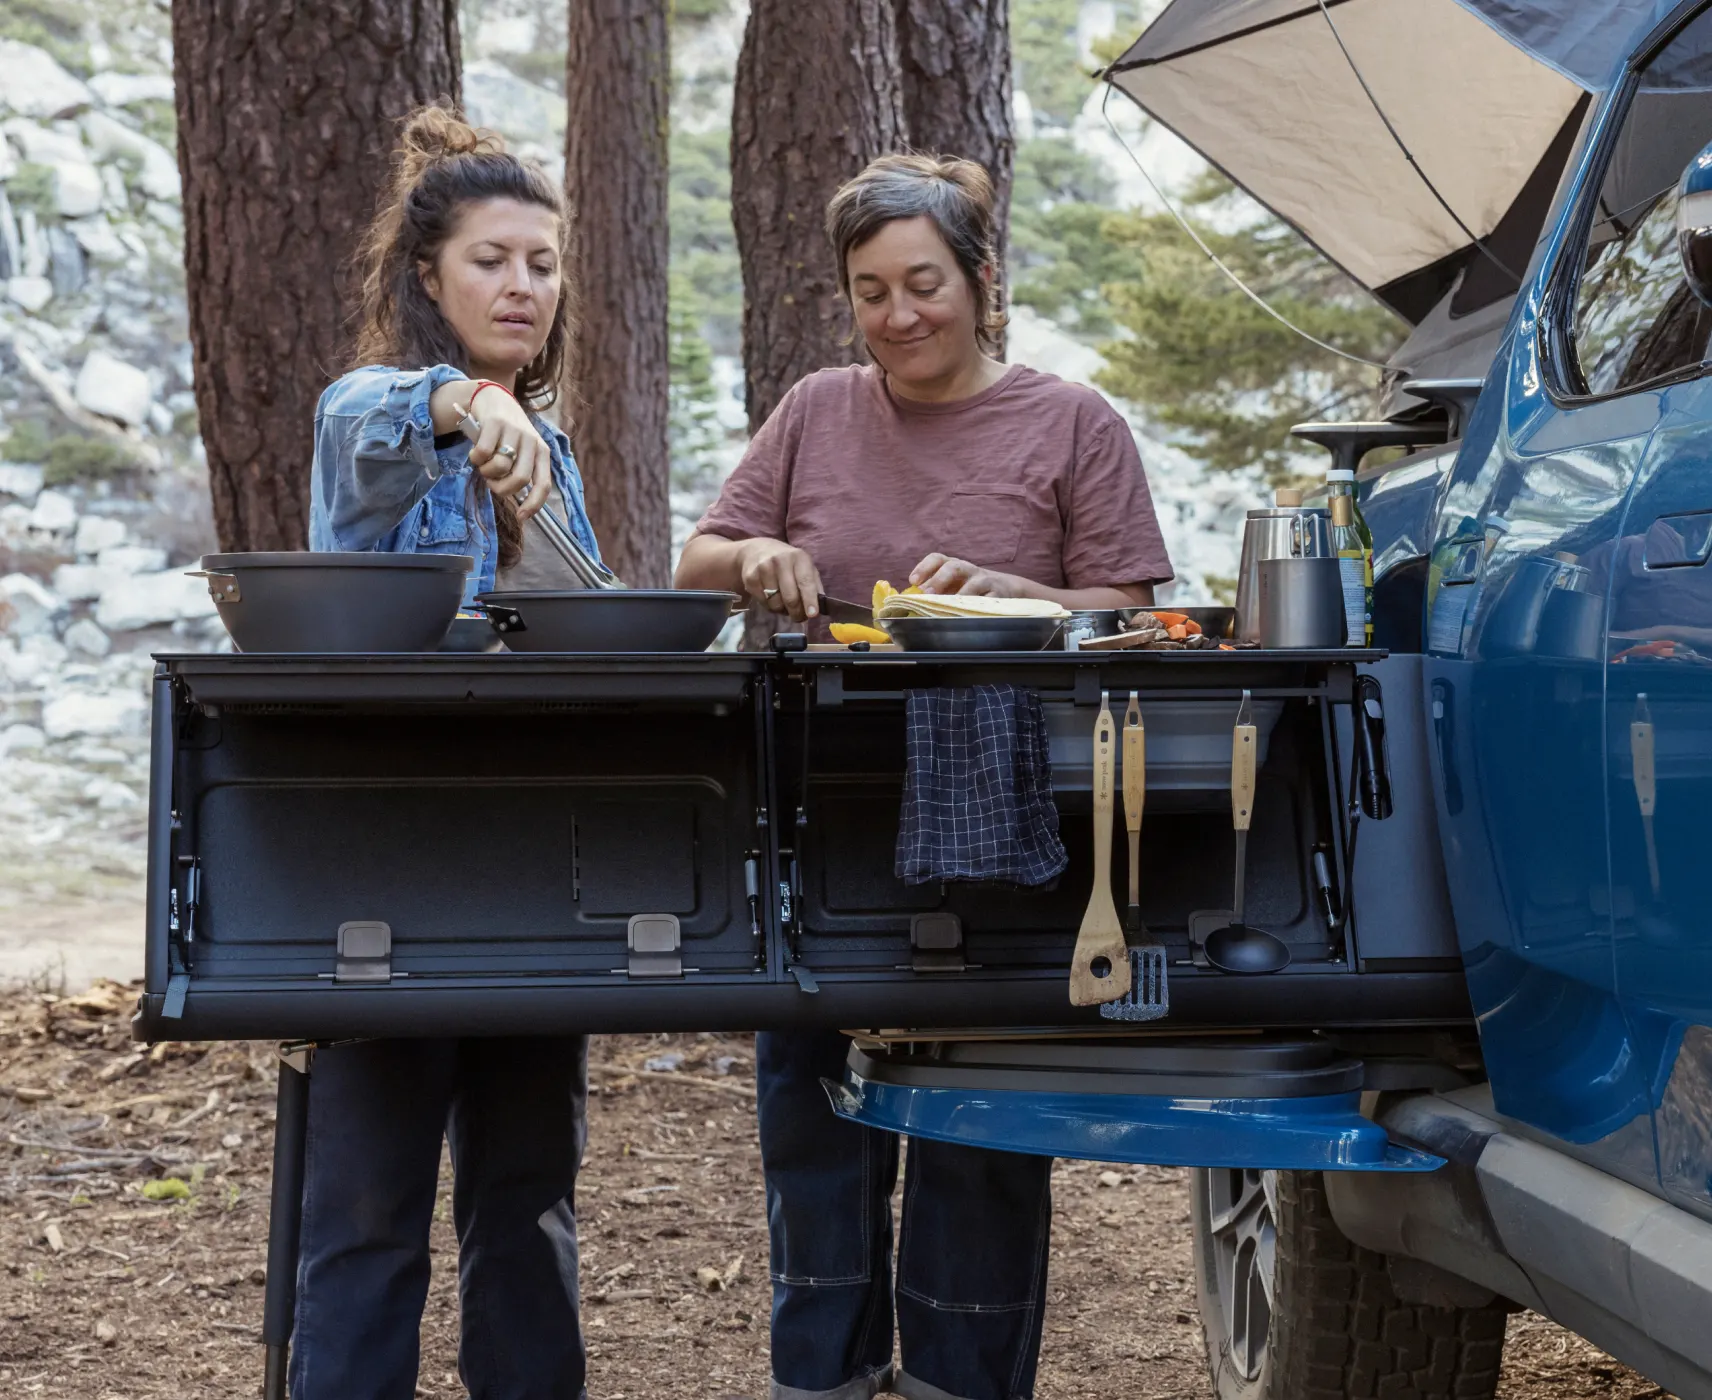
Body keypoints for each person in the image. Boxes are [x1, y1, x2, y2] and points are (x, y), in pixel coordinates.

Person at [676, 154, 1173, 1400]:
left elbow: (1133, 613)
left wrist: (1028, 596)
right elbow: (697, 557)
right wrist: (761, 556)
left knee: (979, 1116)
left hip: (1004, 804)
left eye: (923, 283)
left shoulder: (1071, 421)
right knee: (811, 1110)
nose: (899, 317)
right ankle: (822, 1376)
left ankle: (960, 1378)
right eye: (870, 291)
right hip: (815, 795)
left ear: (980, 280)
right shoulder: (814, 408)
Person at [298, 106, 599, 1400]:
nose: (521, 284)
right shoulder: (371, 409)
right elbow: (388, 419)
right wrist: (469, 398)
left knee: (527, 1203)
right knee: (366, 1212)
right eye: (491, 259)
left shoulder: (555, 453)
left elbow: (578, 615)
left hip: (534, 863)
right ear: (430, 277)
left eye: (540, 262)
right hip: (381, 861)